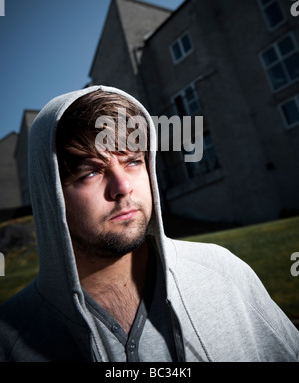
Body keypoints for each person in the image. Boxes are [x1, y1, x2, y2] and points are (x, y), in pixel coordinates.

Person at [0, 85, 298, 362]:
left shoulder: (224, 273)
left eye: (133, 161)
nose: (122, 186)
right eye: (90, 172)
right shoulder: (10, 337)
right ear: (50, 194)